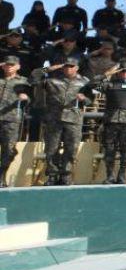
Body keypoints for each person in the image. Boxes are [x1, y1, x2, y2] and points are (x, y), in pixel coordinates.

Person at [38, 57, 93, 185]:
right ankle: (52, 175)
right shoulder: (52, 80)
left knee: (71, 148)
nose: (69, 68)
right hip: (54, 118)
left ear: (77, 68)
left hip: (73, 119)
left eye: (71, 66)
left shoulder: (85, 82)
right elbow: (34, 76)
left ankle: (66, 175)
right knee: (51, 148)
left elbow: (90, 99)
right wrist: (52, 68)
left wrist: (84, 98)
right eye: (66, 66)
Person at [0, 55, 31, 186]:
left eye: (12, 65)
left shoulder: (24, 82)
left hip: (11, 119)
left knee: (9, 149)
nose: (9, 67)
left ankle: (1, 175)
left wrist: (26, 97)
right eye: (7, 64)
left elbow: (32, 99)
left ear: (18, 66)